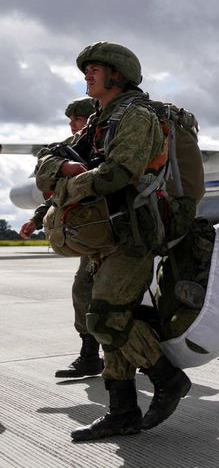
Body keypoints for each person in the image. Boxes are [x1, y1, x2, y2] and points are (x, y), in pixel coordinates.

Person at [35, 42, 190, 441]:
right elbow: (46, 162)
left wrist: (66, 186)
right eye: (87, 69)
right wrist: (64, 165)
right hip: (106, 236)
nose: (88, 74)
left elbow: (118, 173)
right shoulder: (98, 121)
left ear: (117, 75)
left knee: (106, 318)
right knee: (106, 319)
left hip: (133, 235)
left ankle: (167, 378)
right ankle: (122, 411)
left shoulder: (135, 116)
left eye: (96, 69)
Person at [20, 97, 103, 378]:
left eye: (77, 119)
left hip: (115, 227)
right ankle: (91, 354)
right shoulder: (74, 148)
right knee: (83, 288)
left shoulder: (107, 142)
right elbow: (62, 194)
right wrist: (35, 219)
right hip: (94, 231)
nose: (72, 125)